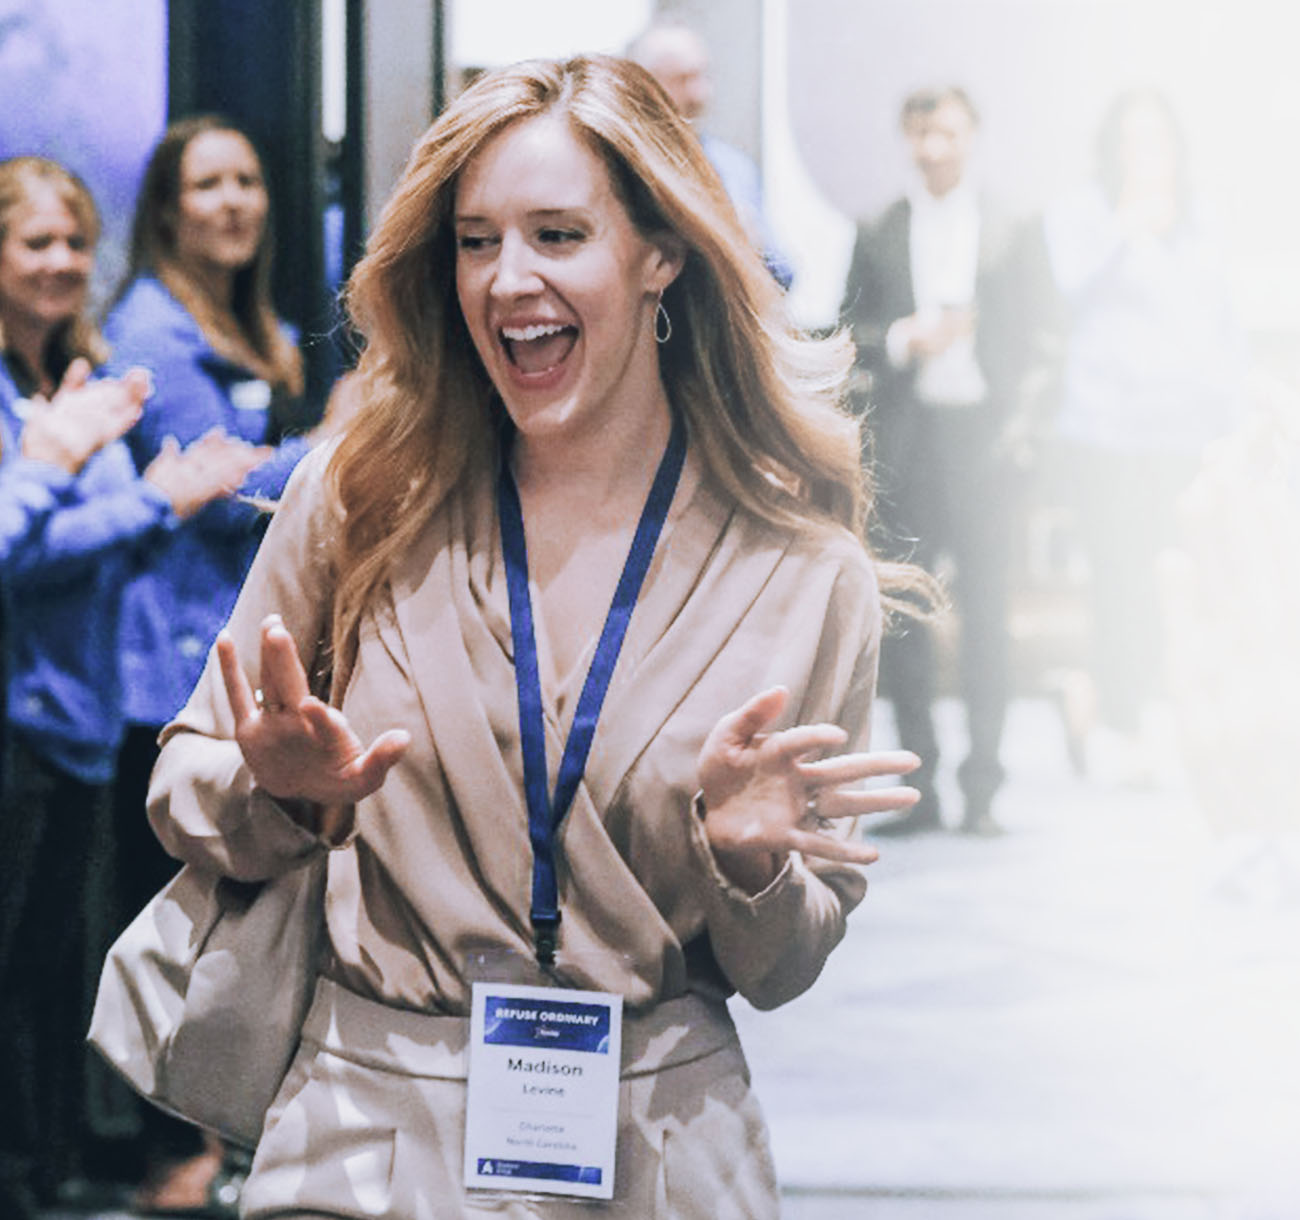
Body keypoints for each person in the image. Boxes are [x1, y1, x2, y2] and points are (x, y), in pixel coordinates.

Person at [140, 55, 929, 1217]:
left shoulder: (801, 574)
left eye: (558, 234)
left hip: (658, 1149)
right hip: (365, 1140)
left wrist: (755, 865)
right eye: (476, 240)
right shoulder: (362, 498)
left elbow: (784, 964)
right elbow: (183, 782)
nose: (509, 280)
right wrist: (283, 798)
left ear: (661, 251)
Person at [0, 155, 258, 1220]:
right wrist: (148, 498)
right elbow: (16, 547)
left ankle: (43, 1175)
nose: (62, 264)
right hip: (15, 726)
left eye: (73, 243)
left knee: (47, 981)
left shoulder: (69, 373)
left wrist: (112, 484)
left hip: (74, 726)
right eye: (35, 244)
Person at [98, 116, 322, 1209]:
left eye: (247, 179)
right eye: (208, 184)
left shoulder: (254, 322)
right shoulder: (149, 325)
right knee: (172, 915)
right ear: (168, 208)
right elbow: (225, 484)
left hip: (229, 650)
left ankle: (209, 1135)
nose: (234, 201)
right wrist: (341, 439)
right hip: (166, 669)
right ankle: (166, 1150)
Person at [840, 84, 1049, 836]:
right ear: (907, 138)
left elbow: (1041, 340)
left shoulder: (1013, 227)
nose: (934, 147)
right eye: (921, 133)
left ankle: (984, 789)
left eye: (948, 132)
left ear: (972, 136)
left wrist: (1023, 437)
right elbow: (847, 332)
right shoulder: (880, 229)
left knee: (989, 615)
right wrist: (903, 338)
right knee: (906, 616)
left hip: (984, 442)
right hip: (910, 439)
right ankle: (919, 784)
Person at [1039, 88, 1248, 783]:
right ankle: (1120, 721)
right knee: (1118, 576)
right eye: (1131, 140)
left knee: (1180, 576)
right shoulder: (1084, 216)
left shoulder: (1203, 219)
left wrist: (1235, 417)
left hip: (1187, 428)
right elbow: (1068, 289)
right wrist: (1126, 228)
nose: (1145, 154)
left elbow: (1222, 323)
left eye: (1157, 139)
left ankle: (1161, 716)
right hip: (1107, 429)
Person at [626, 19, 792, 288]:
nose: (700, 94)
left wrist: (753, 244)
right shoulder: (621, 163)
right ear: (644, 85)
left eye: (703, 76)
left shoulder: (734, 167)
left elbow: (786, 275)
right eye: (682, 80)